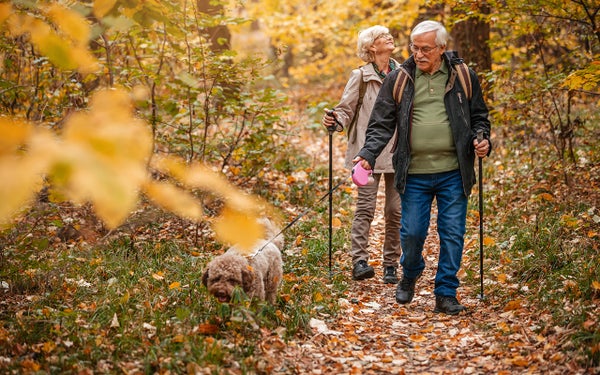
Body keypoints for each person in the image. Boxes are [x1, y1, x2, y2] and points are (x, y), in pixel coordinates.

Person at [354, 20, 491, 315]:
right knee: (413, 233)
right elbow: (380, 123)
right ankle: (411, 272)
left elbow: (480, 116)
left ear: (441, 48)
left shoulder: (463, 76)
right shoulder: (401, 78)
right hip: (414, 171)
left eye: (425, 48)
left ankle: (445, 292)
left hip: (454, 171)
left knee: (452, 232)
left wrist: (482, 140)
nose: (418, 53)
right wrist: (367, 154)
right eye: (414, 47)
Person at [322, 25, 402, 284]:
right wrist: (335, 120)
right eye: (382, 36)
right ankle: (360, 261)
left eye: (389, 35)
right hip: (365, 155)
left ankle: (391, 263)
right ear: (371, 47)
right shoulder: (360, 76)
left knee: (395, 211)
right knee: (365, 209)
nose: (389, 38)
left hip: (398, 151)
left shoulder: (403, 74)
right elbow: (346, 109)